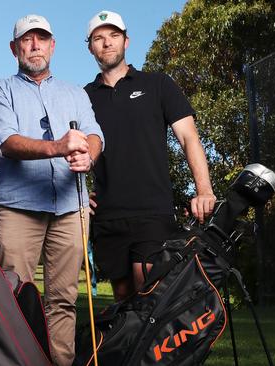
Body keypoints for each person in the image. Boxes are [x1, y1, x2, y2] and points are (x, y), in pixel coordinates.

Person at [0, 14, 104, 366]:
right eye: (27, 39)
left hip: (71, 206)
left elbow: (95, 134)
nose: (34, 45)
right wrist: (59, 147)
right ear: (14, 48)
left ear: (52, 46)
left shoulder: (75, 93)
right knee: (13, 297)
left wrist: (89, 156)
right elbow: (7, 141)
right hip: (19, 207)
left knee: (63, 300)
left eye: (42, 39)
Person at [84, 10, 217, 301]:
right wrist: (82, 195)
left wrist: (204, 190)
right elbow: (77, 149)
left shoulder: (158, 84)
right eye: (99, 38)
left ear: (126, 41)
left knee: (148, 289)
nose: (107, 43)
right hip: (108, 215)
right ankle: (130, 349)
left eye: (114, 36)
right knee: (123, 300)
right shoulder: (83, 97)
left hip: (152, 210)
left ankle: (160, 348)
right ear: (90, 46)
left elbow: (188, 137)